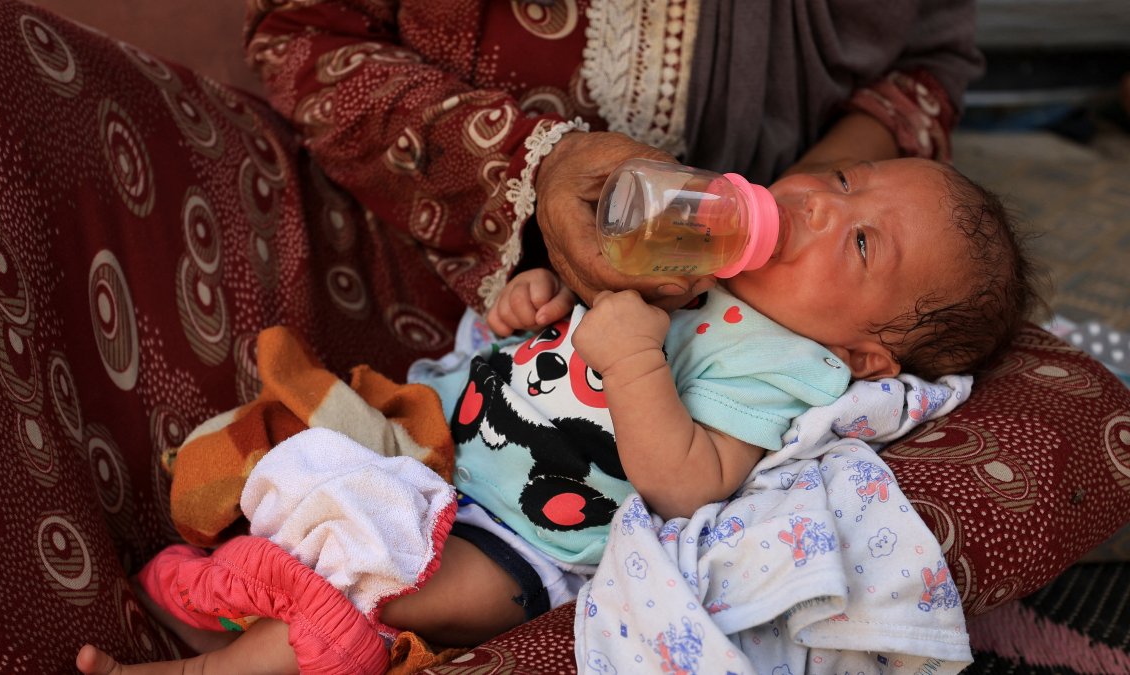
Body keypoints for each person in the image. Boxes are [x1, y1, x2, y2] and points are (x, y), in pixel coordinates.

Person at [75, 156, 1037, 674]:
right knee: (315, 476)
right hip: (447, 448)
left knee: (388, 585)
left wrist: (628, 359)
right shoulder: (704, 243)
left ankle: (222, 665)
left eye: (862, 239)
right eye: (840, 182)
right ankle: (246, 598)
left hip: (525, 548)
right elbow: (556, 325)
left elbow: (683, 479)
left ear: (870, 353)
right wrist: (534, 299)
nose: (824, 210)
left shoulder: (787, 366)